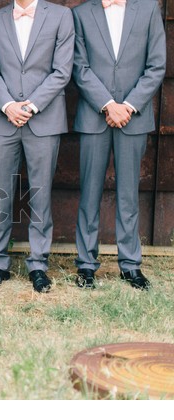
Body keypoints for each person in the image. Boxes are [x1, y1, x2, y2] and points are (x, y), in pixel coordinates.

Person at [72, 0, 165, 290]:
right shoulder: (81, 13)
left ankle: (130, 265)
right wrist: (107, 104)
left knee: (128, 193)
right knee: (89, 194)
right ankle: (86, 265)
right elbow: (79, 66)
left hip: (133, 118)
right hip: (93, 116)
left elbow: (156, 64)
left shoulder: (149, 9)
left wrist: (129, 106)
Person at [0, 0, 74, 293]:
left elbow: (62, 71)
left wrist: (32, 105)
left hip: (44, 119)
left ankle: (38, 265)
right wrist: (9, 105)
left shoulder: (61, 16)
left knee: (40, 195)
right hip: (4, 119)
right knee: (0, 193)